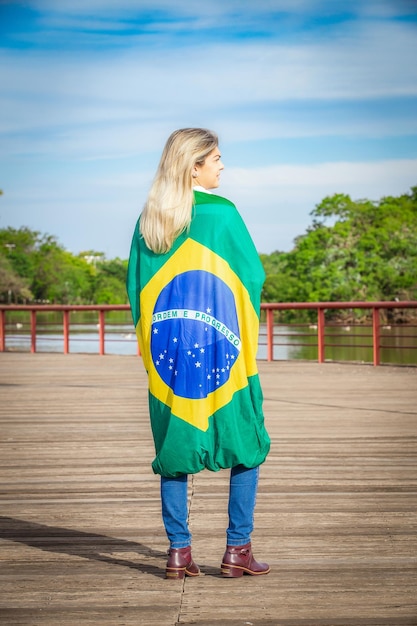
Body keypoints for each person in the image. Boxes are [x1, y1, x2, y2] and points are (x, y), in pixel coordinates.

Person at [126, 128, 270, 580]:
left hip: (168, 351)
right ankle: (236, 550)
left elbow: (137, 289)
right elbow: (252, 279)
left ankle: (178, 553)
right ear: (194, 166)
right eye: (216, 159)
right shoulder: (223, 215)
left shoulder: (150, 220)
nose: (223, 165)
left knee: (175, 448)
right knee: (246, 442)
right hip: (224, 348)